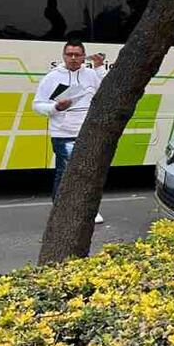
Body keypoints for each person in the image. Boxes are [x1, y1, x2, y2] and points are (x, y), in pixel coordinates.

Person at [33, 39, 107, 223]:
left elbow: (107, 90)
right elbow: (37, 105)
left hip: (88, 132)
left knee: (89, 172)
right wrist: (56, 107)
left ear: (83, 56)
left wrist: (99, 68)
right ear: (64, 55)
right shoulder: (52, 77)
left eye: (77, 54)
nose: (73, 58)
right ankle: (60, 209)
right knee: (66, 172)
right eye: (69, 54)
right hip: (63, 133)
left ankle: (89, 210)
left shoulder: (90, 74)